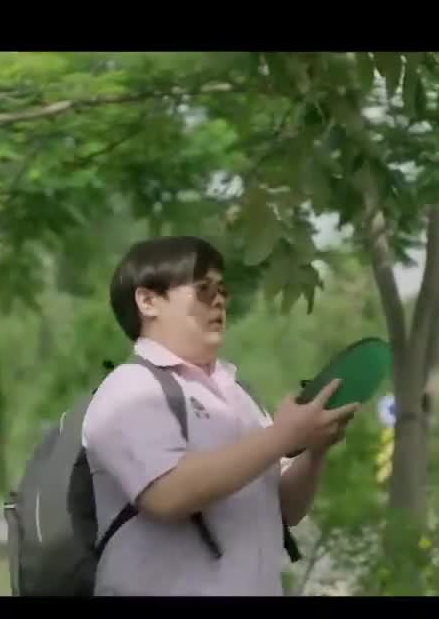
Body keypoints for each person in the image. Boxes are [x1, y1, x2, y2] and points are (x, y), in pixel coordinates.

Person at [83, 235, 359, 595]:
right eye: (202, 289)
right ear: (148, 301)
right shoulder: (130, 388)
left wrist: (314, 448)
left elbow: (285, 511)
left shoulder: (238, 393)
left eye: (222, 290)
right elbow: (167, 494)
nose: (219, 300)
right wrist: (283, 436)